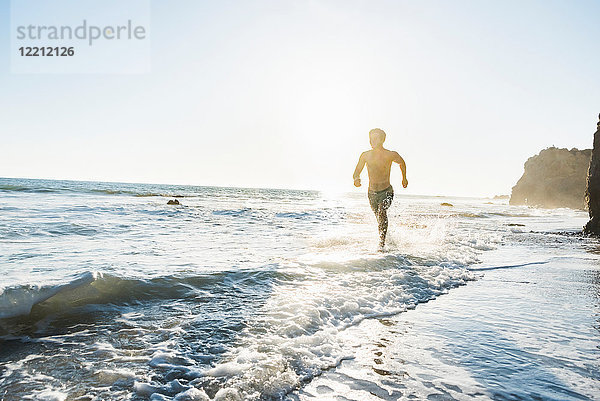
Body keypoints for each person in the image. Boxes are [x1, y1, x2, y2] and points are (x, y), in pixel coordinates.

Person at [353, 128, 408, 249]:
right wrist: (356, 179)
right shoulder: (365, 155)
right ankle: (387, 238)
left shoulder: (390, 154)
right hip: (372, 193)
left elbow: (402, 162)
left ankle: (381, 244)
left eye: (375, 138)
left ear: (382, 140)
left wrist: (404, 178)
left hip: (386, 191)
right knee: (379, 217)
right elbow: (356, 171)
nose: (372, 140)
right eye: (370, 138)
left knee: (382, 212)